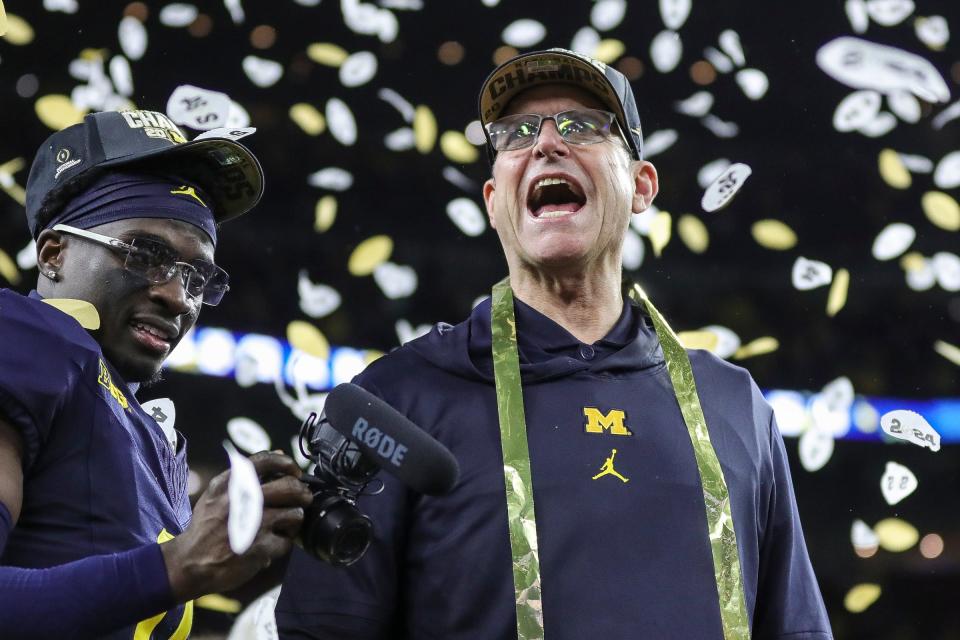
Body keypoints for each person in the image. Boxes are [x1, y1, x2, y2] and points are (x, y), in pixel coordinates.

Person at [276, 49, 832, 639]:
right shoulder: (398, 400)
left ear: (641, 186)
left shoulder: (734, 403)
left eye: (582, 125)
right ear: (494, 202)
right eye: (517, 133)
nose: (545, 144)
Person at [0, 110, 314, 639]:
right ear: (54, 253)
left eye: (198, 278)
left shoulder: (148, 431)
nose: (177, 298)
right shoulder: (24, 336)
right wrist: (176, 566)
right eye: (146, 254)